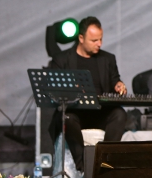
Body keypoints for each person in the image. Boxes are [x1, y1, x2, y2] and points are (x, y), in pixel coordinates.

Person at [49, 16, 127, 174]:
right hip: (75, 113)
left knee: (119, 114)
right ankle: (83, 165)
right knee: (67, 117)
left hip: (100, 113)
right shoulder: (62, 60)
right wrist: (73, 89)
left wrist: (119, 85)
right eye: (94, 40)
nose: (99, 44)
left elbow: (115, 80)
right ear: (81, 38)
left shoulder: (107, 59)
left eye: (100, 39)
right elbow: (53, 90)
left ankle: (105, 162)